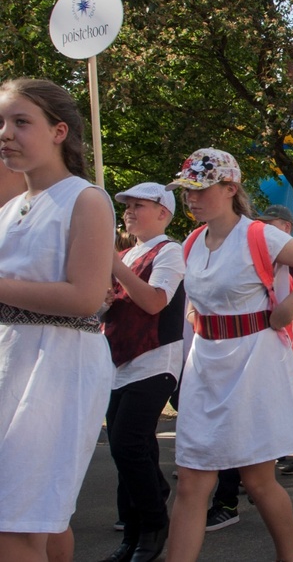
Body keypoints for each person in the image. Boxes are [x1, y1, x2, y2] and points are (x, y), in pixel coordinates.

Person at [163, 148, 293, 562]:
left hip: (252, 364)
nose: (190, 197)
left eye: (200, 188)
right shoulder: (190, 243)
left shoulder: (258, 234)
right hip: (206, 365)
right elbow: (198, 299)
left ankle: (290, 556)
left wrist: (289, 306)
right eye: (186, 189)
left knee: (258, 480)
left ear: (230, 189)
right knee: (190, 483)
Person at [0, 77, 116, 562]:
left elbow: (86, 296)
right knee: (42, 519)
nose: (6, 133)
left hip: (57, 366)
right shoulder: (10, 208)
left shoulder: (86, 200)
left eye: (21, 121)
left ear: (58, 131)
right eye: (1, 123)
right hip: (12, 360)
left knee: (16, 525)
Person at [101, 182, 186, 562]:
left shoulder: (170, 251)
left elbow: (154, 302)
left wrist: (115, 266)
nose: (130, 211)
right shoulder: (125, 254)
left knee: (127, 444)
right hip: (118, 361)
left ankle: (153, 525)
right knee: (131, 451)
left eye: (139, 205)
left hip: (155, 360)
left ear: (163, 213)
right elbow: (105, 308)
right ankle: (135, 532)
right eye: (128, 206)